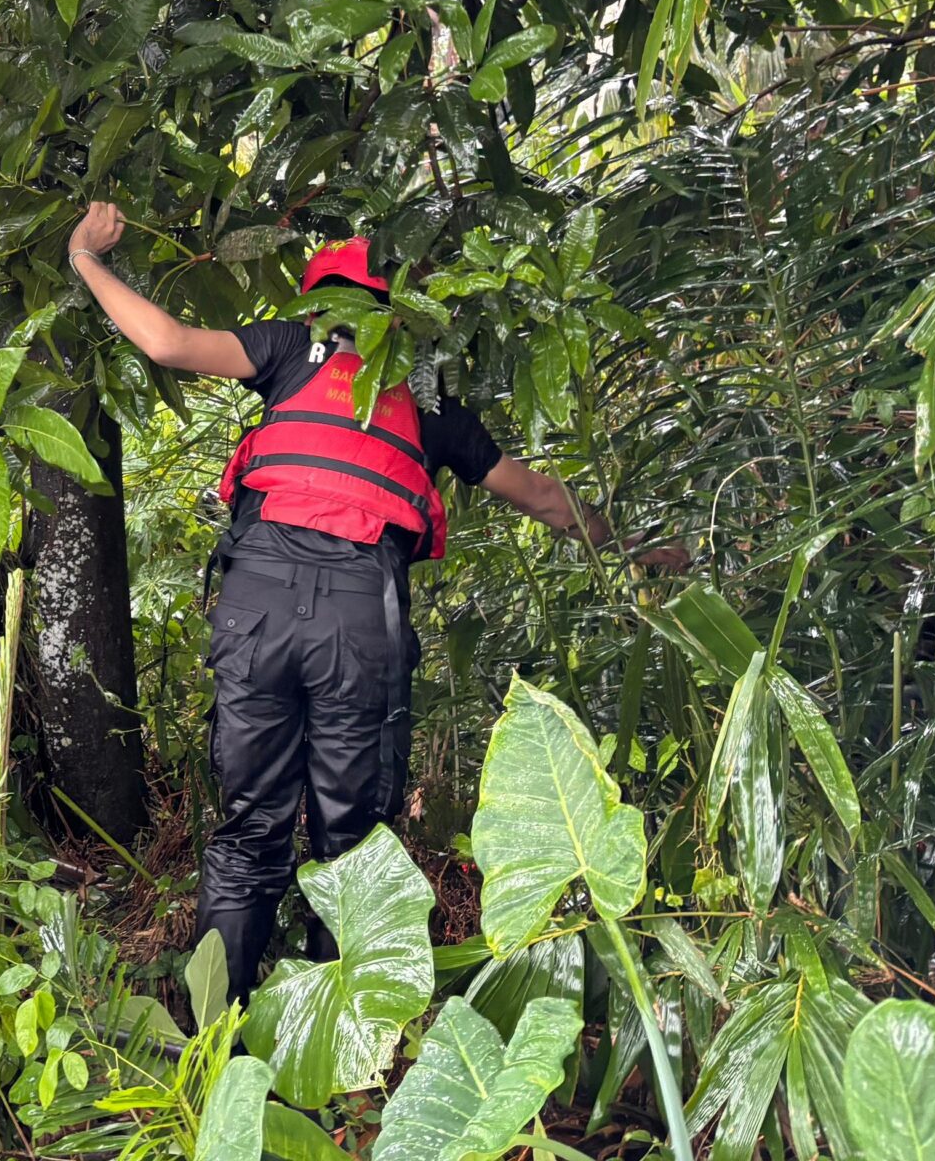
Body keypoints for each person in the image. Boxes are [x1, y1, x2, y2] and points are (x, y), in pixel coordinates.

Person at [64, 203, 648, 998]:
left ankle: (214, 1051)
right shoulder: (432, 403)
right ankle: (342, 1052)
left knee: (248, 834)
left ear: (321, 301)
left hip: (258, 603)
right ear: (404, 314)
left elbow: (166, 341)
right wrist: (635, 550)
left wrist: (88, 260)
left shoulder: (287, 350)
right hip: (357, 617)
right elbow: (544, 496)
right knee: (352, 845)